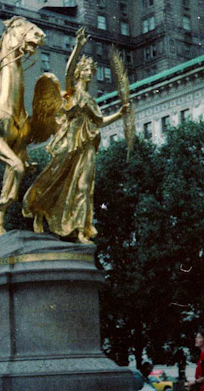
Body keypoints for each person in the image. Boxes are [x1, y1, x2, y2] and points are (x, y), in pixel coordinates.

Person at [23, 27, 130, 243]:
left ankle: (82, 230)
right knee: (53, 178)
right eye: (87, 69)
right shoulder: (72, 92)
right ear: (81, 72)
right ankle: (38, 210)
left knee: (84, 187)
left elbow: (99, 122)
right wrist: (78, 46)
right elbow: (67, 72)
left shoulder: (90, 100)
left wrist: (119, 114)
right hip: (68, 144)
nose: (90, 73)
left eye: (92, 70)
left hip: (87, 146)